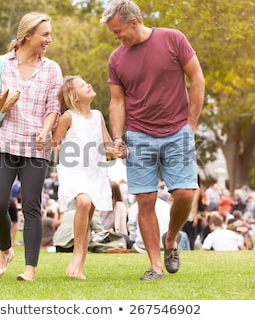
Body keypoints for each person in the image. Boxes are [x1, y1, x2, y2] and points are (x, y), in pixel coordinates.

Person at [101, 0, 205, 280]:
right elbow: (117, 101)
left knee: (185, 194)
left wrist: (190, 124)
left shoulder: (173, 38)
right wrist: (118, 137)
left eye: (118, 30)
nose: (116, 36)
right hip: (138, 135)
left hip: (177, 132)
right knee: (145, 201)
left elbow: (197, 78)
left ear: (134, 22)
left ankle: (170, 239)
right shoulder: (116, 58)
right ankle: (155, 266)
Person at [0, 12, 63, 281]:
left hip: (35, 149)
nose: (49, 39)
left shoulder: (52, 68)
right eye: (45, 35)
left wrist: (45, 131)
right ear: (27, 35)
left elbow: (53, 108)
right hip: (4, 144)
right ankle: (5, 250)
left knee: (31, 206)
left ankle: (30, 268)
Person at [47, 75, 113, 279]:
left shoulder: (98, 115)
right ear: (74, 97)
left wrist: (118, 148)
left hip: (95, 171)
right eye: (83, 85)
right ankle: (76, 255)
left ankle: (79, 268)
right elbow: (54, 143)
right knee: (83, 202)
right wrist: (41, 140)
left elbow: (107, 143)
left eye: (87, 82)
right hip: (74, 169)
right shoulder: (68, 117)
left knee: (87, 215)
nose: (89, 84)